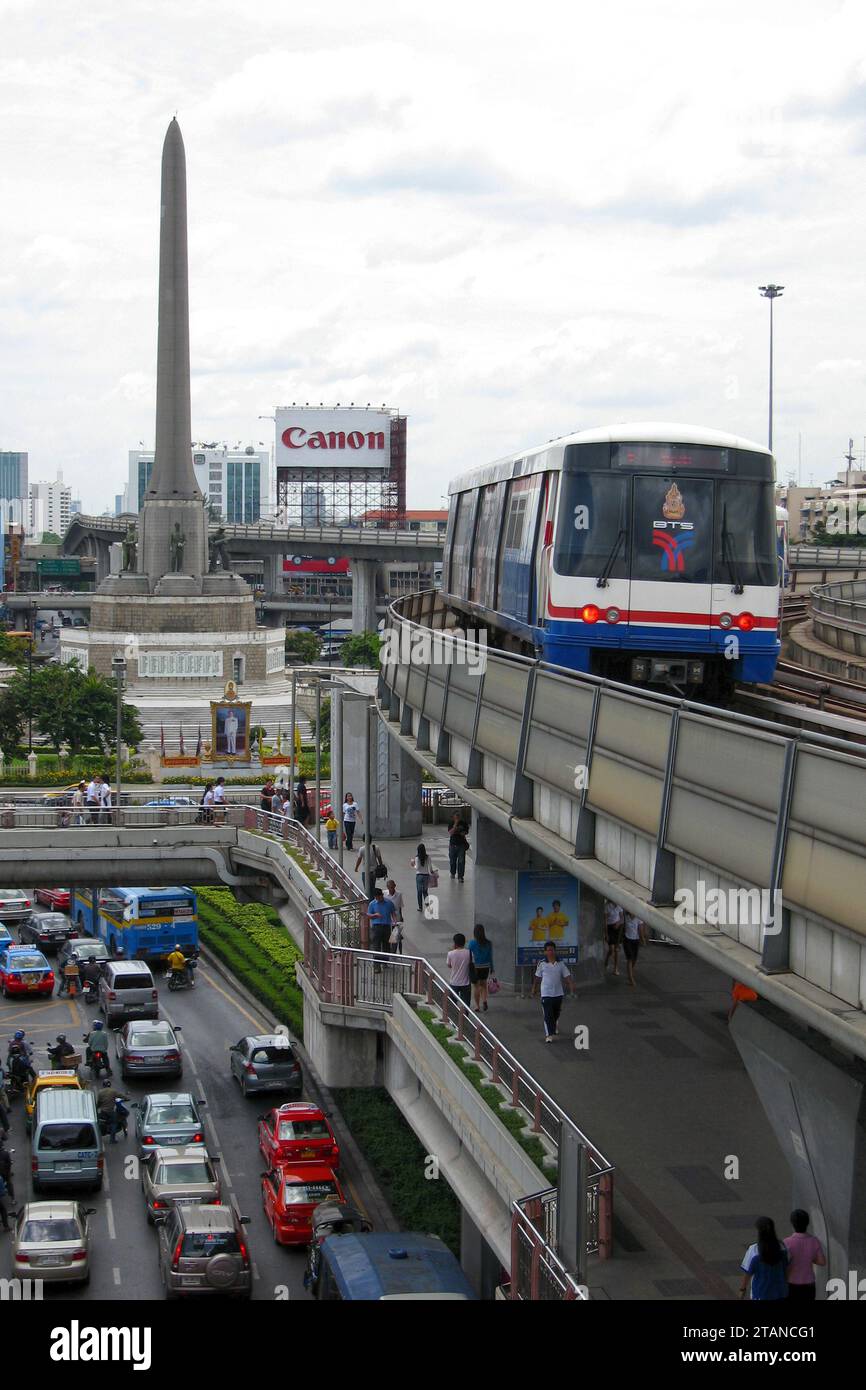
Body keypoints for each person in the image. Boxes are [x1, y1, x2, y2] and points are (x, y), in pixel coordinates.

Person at [532, 941, 575, 1042]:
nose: (550, 952)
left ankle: (554, 1024)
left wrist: (571, 985)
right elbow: (537, 977)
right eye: (548, 950)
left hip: (558, 993)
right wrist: (534, 988)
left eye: (552, 950)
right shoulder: (542, 963)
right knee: (547, 1014)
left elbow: (567, 976)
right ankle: (549, 1035)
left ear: (555, 951)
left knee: (556, 1013)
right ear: (545, 952)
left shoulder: (560, 963)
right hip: (546, 993)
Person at [739, 1217, 789, 1301]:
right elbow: (786, 1270)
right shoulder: (782, 1247)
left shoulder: (753, 1249)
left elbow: (747, 1273)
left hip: (761, 1292)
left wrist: (742, 1289)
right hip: (780, 1292)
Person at [784, 1210, 826, 1301]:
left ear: (792, 1223)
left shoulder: (786, 1242)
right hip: (809, 1284)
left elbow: (783, 1263)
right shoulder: (814, 1241)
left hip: (791, 1283)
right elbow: (822, 1262)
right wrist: (809, 1258)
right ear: (807, 1223)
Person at [469, 924, 494, 1012]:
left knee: (476, 986)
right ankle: (484, 1000)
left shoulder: (472, 943)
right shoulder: (488, 943)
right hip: (486, 967)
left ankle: (477, 1006)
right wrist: (492, 967)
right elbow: (490, 956)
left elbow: (469, 956)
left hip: (476, 967)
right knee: (483, 985)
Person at [96, 1079, 129, 1143]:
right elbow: (121, 1095)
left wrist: (96, 1108)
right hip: (110, 1112)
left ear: (103, 1085)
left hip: (103, 1112)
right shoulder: (113, 1091)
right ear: (110, 1084)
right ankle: (112, 1139)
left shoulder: (100, 1092)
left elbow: (99, 1102)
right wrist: (127, 1098)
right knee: (114, 1123)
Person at [366, 888, 397, 956]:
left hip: (386, 926)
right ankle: (377, 964)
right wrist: (375, 915)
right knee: (376, 945)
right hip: (376, 927)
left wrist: (395, 922)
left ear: (382, 895)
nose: (378, 899)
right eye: (376, 897)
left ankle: (385, 962)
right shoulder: (372, 904)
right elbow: (368, 915)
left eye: (379, 897)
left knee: (386, 945)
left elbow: (393, 913)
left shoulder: (389, 903)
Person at [622, 911, 647, 988]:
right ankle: (631, 978)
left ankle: (630, 972)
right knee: (630, 959)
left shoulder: (639, 918)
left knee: (634, 959)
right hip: (627, 939)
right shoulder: (626, 916)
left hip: (635, 940)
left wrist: (642, 939)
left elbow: (640, 930)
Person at [446, 933, 472, 1006]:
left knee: (452, 1003)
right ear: (464, 942)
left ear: (455, 943)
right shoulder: (469, 953)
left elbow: (449, 965)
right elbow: (472, 964)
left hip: (454, 981)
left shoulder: (450, 953)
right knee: (466, 1003)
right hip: (466, 982)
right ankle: (465, 1016)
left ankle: (453, 1016)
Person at [603, 900, 625, 975]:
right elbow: (605, 921)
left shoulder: (619, 905)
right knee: (611, 949)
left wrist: (618, 923)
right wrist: (606, 934)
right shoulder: (607, 906)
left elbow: (622, 918)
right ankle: (606, 960)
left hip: (617, 928)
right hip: (610, 928)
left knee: (616, 950)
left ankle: (615, 968)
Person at [448, 814, 470, 882]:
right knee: (452, 861)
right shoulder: (451, 823)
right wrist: (455, 824)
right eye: (456, 816)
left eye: (458, 816)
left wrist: (463, 833)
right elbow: (450, 832)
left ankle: (460, 876)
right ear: (453, 817)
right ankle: (453, 873)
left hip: (461, 845)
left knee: (461, 861)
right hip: (452, 845)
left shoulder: (463, 823)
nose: (457, 817)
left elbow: (466, 831)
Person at [410, 844, 433, 911]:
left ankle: (420, 907)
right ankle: (428, 906)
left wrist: (413, 865)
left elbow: (417, 868)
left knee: (419, 892)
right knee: (425, 892)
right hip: (426, 876)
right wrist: (431, 872)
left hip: (419, 876)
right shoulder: (428, 857)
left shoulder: (417, 858)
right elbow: (430, 868)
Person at [384, 879, 404, 953]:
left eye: (392, 887)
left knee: (395, 937)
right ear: (387, 887)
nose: (391, 889)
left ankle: (393, 952)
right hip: (387, 918)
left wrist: (401, 916)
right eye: (390, 887)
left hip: (396, 918)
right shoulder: (384, 894)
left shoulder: (399, 894)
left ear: (395, 886)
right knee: (389, 936)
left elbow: (400, 906)